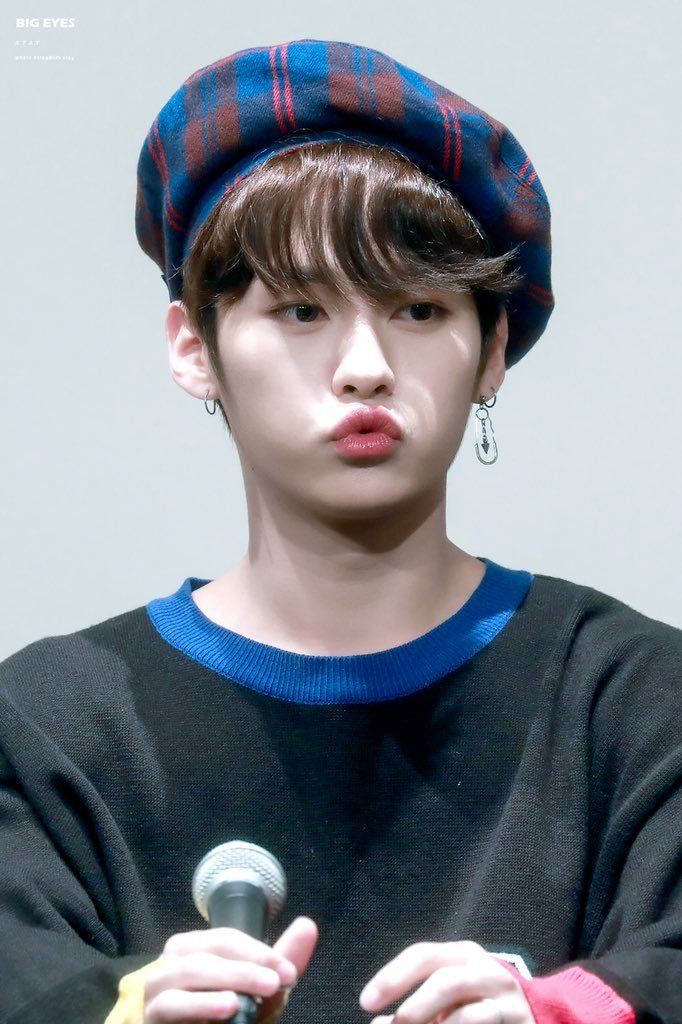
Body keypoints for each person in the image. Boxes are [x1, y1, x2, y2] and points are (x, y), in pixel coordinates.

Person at [1, 37, 679, 1024]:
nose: (365, 366)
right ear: (194, 347)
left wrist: (562, 1010)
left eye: (418, 308)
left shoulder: (636, 706)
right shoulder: (48, 729)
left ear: (491, 349)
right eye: (300, 309)